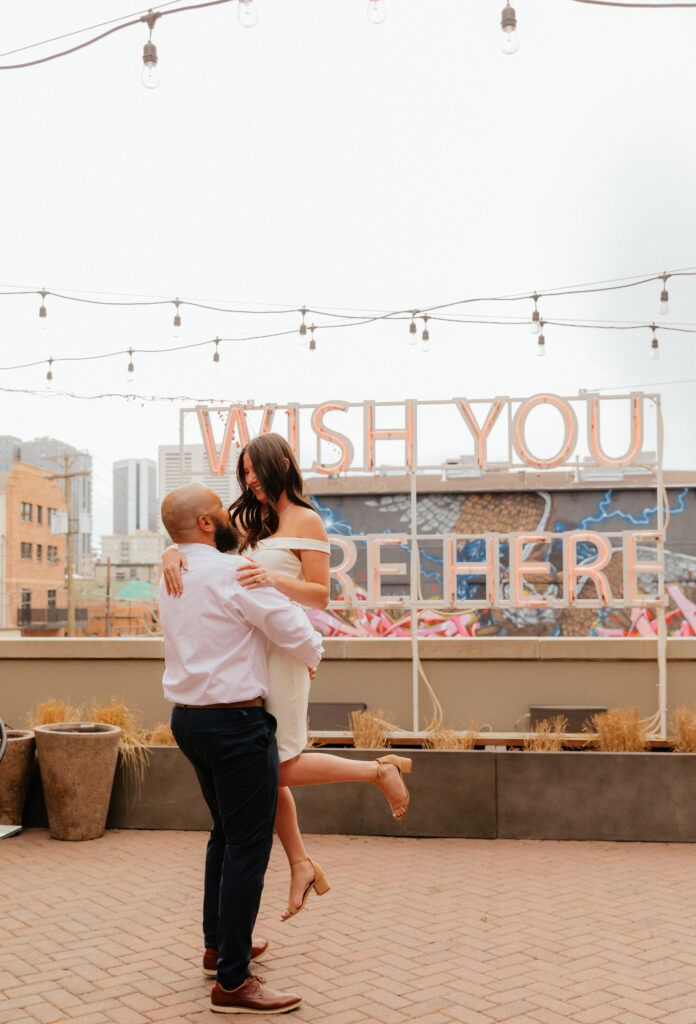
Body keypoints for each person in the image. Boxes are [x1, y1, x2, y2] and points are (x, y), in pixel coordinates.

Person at [162, 433, 413, 921]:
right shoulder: (246, 521)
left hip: (286, 650)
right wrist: (171, 555)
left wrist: (270, 577)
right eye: (244, 473)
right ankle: (300, 863)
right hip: (250, 650)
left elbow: (319, 596)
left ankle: (375, 772)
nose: (249, 480)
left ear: (279, 465)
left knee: (275, 764)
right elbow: (197, 538)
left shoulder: (307, 520)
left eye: (255, 470)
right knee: (266, 771)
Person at [159, 483, 324, 1015]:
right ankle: (233, 982)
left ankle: (219, 947)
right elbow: (294, 628)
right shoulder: (232, 572)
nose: (230, 516)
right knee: (248, 848)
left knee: (224, 835)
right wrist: (313, 656)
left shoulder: (170, 570)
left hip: (189, 722)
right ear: (207, 524)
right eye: (220, 512)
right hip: (235, 725)